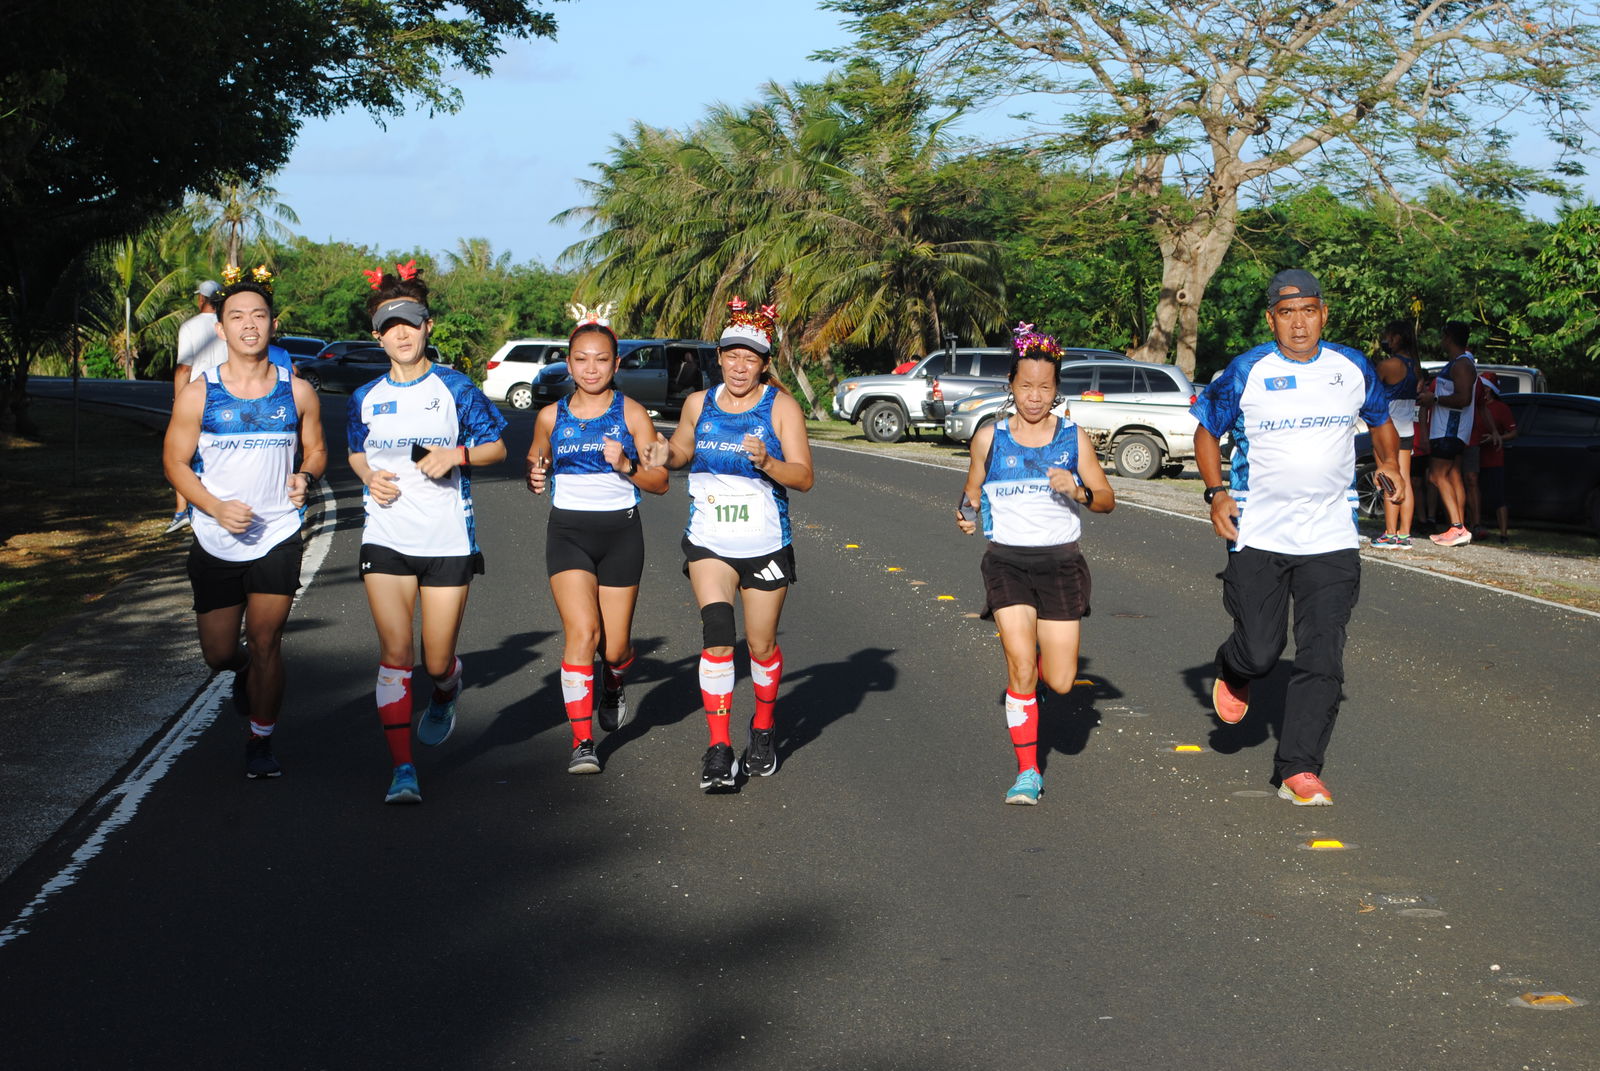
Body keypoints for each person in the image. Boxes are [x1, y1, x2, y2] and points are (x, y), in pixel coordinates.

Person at [1191, 268, 1403, 807]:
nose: (1299, 323)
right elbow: (1206, 431)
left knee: (1322, 656)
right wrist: (1216, 492)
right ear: (1272, 319)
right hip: (1258, 531)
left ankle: (1299, 767)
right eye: (1287, 313)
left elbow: (1380, 420)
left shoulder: (1351, 366)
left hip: (1331, 536)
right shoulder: (1246, 370)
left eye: (1309, 310)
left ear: (1323, 313)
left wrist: (1387, 463)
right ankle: (1235, 668)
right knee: (1262, 651)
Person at [346, 264, 507, 804]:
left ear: (427, 326)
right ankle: (403, 770)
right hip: (385, 534)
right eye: (390, 325)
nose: (401, 333)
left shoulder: (455, 387)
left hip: (446, 541)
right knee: (396, 652)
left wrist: (455, 455)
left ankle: (445, 688)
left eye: (410, 322)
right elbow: (354, 449)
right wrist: (369, 476)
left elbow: (496, 448)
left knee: (435, 661)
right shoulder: (365, 395)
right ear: (378, 335)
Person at [640, 299, 814, 792]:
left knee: (759, 646)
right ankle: (718, 748)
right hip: (710, 541)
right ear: (719, 356)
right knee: (717, 636)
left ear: (764, 363)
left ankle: (762, 728)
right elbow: (682, 451)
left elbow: (803, 477)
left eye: (751, 358)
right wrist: (662, 453)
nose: (740, 366)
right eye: (732, 355)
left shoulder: (781, 407)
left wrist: (768, 463)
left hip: (765, 544)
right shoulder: (699, 403)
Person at [162, 267, 326, 779]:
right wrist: (211, 507)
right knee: (218, 652)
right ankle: (242, 673)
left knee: (266, 639)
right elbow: (174, 463)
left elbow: (317, 448)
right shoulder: (199, 393)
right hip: (215, 536)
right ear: (222, 329)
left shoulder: (297, 392)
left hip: (276, 532)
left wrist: (306, 475)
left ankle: (260, 741)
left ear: (272, 325)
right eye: (238, 316)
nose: (249, 325)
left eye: (258, 316)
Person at [955, 323, 1115, 805]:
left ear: (1056, 389)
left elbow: (1106, 499)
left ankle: (1042, 685)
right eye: (1026, 386)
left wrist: (1079, 491)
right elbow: (971, 493)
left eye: (1045, 387)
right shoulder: (989, 437)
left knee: (1061, 680)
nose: (1034, 396)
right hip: (1006, 563)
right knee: (1021, 667)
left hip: (1061, 564)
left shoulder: (1073, 437)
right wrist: (965, 514)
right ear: (1011, 385)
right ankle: (1028, 771)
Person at [526, 302, 668, 775]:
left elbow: (660, 481)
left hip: (621, 533)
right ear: (568, 364)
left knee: (615, 648)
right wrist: (537, 477)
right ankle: (582, 741)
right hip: (568, 533)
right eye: (581, 359)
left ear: (616, 363)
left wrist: (626, 465)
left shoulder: (631, 414)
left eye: (601, 359)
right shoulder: (549, 416)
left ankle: (613, 682)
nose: (591, 368)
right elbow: (535, 460)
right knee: (582, 634)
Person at [167, 279, 226, 534]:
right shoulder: (226, 325)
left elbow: (184, 368)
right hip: (226, 393)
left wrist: (178, 401)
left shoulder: (190, 326)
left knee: (183, 454)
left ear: (201, 299)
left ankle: (183, 510)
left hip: (198, 395)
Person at [1419, 321, 1478, 547]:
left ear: (1449, 338)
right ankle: (1458, 525)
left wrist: (1433, 399)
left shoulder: (1462, 364)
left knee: (1436, 475)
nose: (1441, 341)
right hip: (1447, 429)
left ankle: (1457, 527)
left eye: (1443, 337)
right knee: (1452, 476)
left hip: (1449, 429)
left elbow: (1464, 399)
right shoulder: (1457, 363)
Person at [1370, 321, 1420, 549]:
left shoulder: (1389, 365)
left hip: (1389, 429)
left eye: (1388, 336)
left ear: (1397, 338)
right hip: (1408, 427)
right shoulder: (1415, 366)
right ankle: (1404, 533)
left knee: (1389, 478)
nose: (1385, 341)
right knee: (1405, 480)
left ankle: (1390, 533)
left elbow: (1370, 393)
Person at [1475, 375, 1518, 543]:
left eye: (1486, 387)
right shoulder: (1475, 406)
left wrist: (1496, 437)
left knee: (1498, 497)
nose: (1484, 390)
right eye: (1481, 387)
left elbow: (1513, 432)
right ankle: (1474, 527)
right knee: (1474, 492)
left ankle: (1503, 534)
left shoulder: (1501, 408)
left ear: (1492, 389)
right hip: (1475, 455)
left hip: (1494, 458)